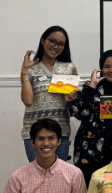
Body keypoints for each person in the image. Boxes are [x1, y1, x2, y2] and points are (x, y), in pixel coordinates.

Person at [70, 50, 112, 185]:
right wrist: (92, 86)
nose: (111, 70)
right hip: (89, 149)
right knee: (90, 189)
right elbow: (80, 114)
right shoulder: (91, 87)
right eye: (106, 67)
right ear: (100, 69)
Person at [20, 26, 77, 162]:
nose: (55, 46)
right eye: (52, 41)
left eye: (61, 44)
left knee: (59, 173)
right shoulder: (30, 69)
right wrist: (24, 71)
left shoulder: (69, 68)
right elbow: (28, 101)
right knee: (37, 173)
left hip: (60, 132)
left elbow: (72, 105)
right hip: (34, 132)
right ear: (43, 41)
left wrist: (70, 100)